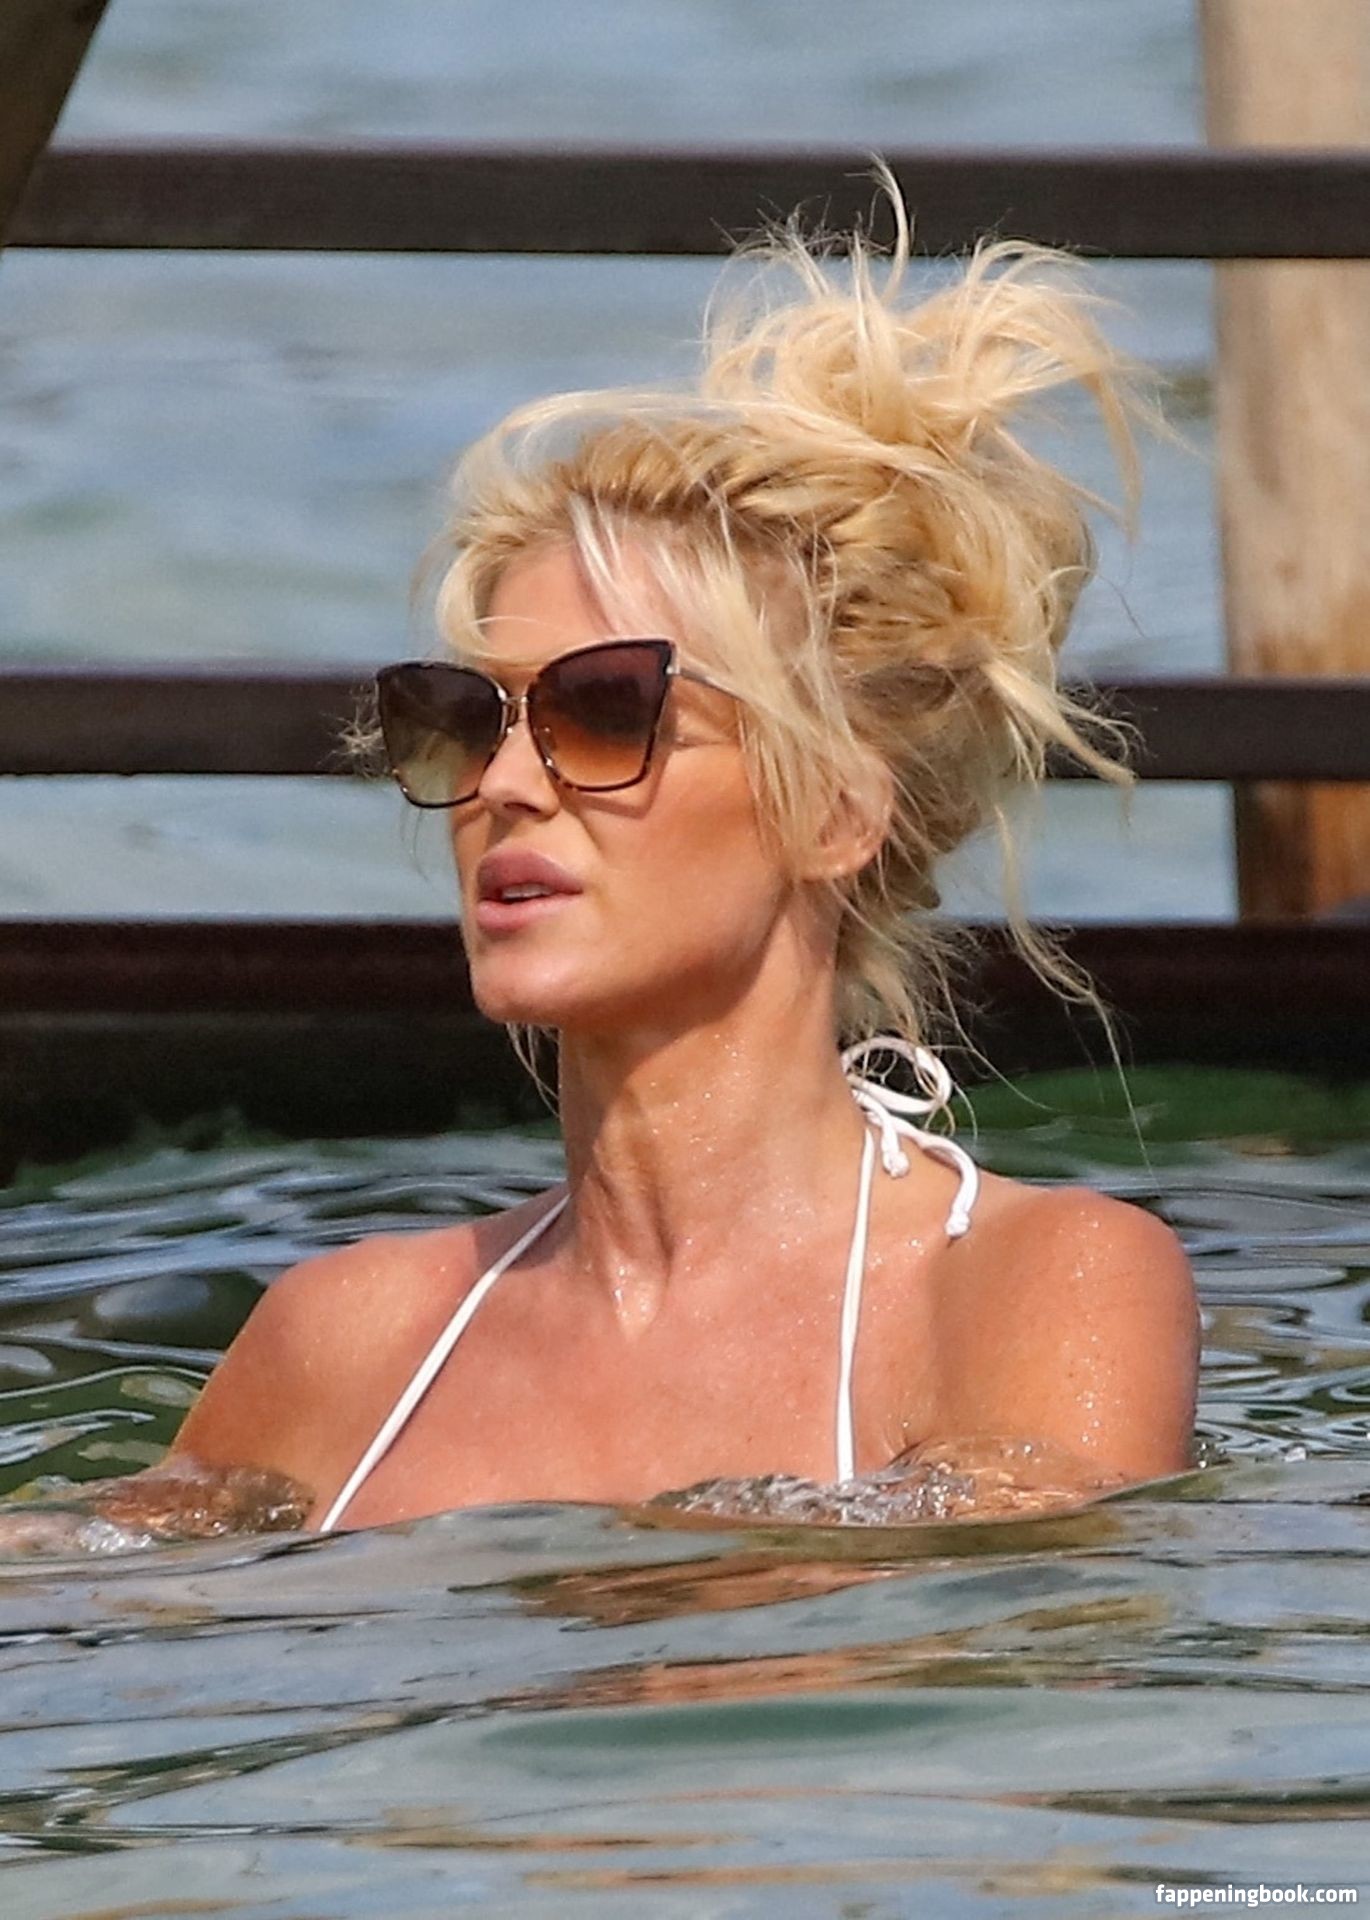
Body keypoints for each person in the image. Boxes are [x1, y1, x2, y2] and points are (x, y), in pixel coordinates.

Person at [159, 185, 1199, 1534]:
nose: (505, 785)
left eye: (605, 710)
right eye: (466, 717)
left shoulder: (1032, 1282)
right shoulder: (346, 1340)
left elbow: (1020, 1636)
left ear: (833, 811)